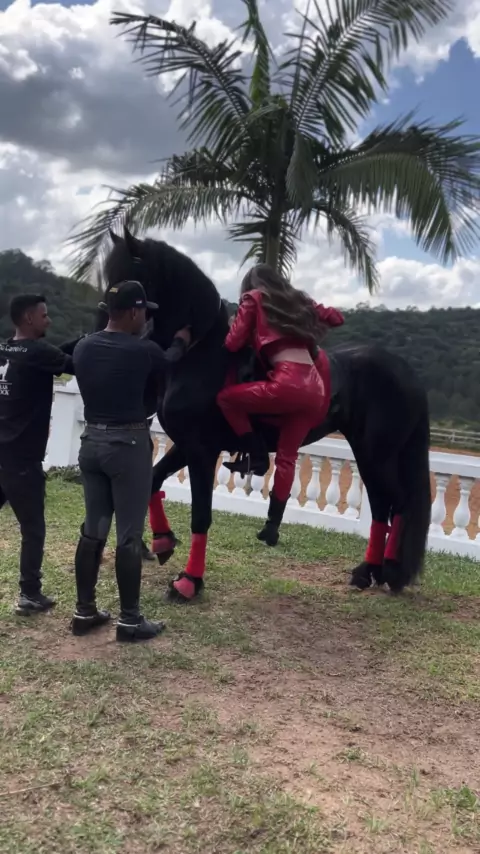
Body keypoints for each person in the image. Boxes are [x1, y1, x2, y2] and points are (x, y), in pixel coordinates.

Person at [71, 280, 190, 643]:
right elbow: (170, 362)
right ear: (135, 311)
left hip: (92, 442)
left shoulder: (84, 346)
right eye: (143, 312)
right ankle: (130, 620)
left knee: (93, 529)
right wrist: (182, 339)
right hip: (128, 444)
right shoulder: (144, 351)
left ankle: (84, 612)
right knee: (128, 535)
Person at [217, 264, 344, 536]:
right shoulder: (297, 302)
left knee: (226, 399)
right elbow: (337, 318)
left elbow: (232, 343)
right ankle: (272, 526)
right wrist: (310, 309)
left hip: (286, 383)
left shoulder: (253, 298)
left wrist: (235, 323)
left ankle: (257, 455)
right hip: (316, 390)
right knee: (287, 458)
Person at [0, 293, 80, 615]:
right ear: (29, 318)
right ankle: (29, 594)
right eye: (44, 315)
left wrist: (80, 338)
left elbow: (49, 354)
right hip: (22, 459)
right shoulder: (38, 353)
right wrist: (94, 343)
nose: (49, 319)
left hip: (3, 453)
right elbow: (74, 364)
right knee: (33, 528)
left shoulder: (6, 349)